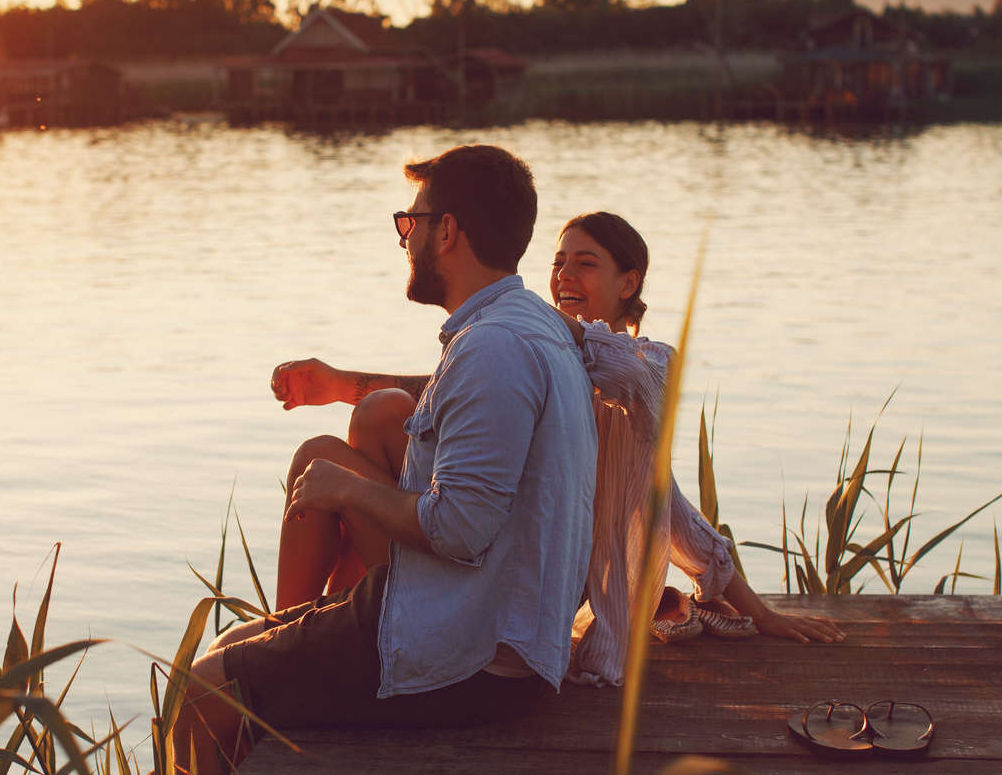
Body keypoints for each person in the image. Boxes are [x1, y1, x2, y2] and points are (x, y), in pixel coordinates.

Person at [167, 144, 597, 775]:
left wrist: (349, 491)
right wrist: (342, 389)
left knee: (197, 691)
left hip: (468, 657)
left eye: (410, 223)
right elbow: (450, 408)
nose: (406, 239)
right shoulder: (522, 329)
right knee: (227, 649)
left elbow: (460, 529)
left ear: (447, 231)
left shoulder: (493, 348)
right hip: (480, 624)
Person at [271, 210, 843, 690]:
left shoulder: (642, 371)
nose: (564, 276)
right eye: (558, 263)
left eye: (585, 264)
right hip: (467, 545)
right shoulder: (535, 352)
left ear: (629, 283)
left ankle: (291, 645)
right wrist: (339, 384)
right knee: (381, 412)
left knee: (321, 457)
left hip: (519, 586)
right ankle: (315, 628)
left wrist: (760, 612)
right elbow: (450, 393)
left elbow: (671, 506)